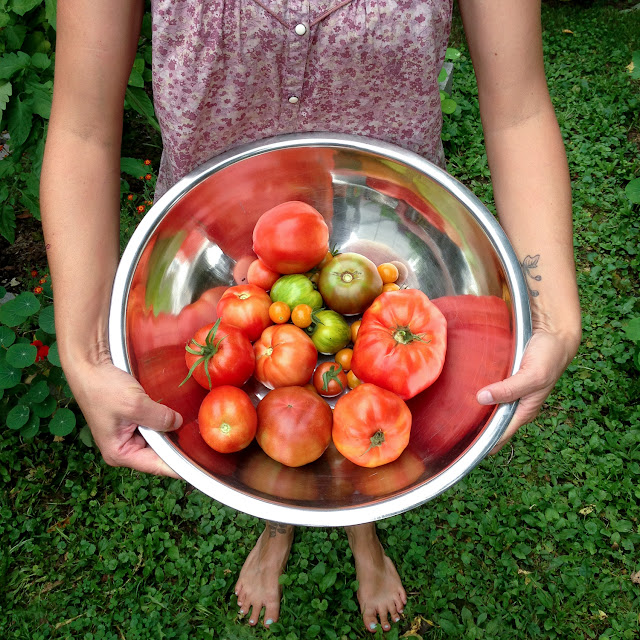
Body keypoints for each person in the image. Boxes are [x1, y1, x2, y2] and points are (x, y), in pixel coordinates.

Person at [40, 0, 582, 633]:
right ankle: (283, 522)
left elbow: (517, 110)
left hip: (385, 226)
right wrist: (86, 354)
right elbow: (82, 128)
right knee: (285, 420)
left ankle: (361, 533)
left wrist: (553, 315)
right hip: (214, 241)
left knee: (366, 408)